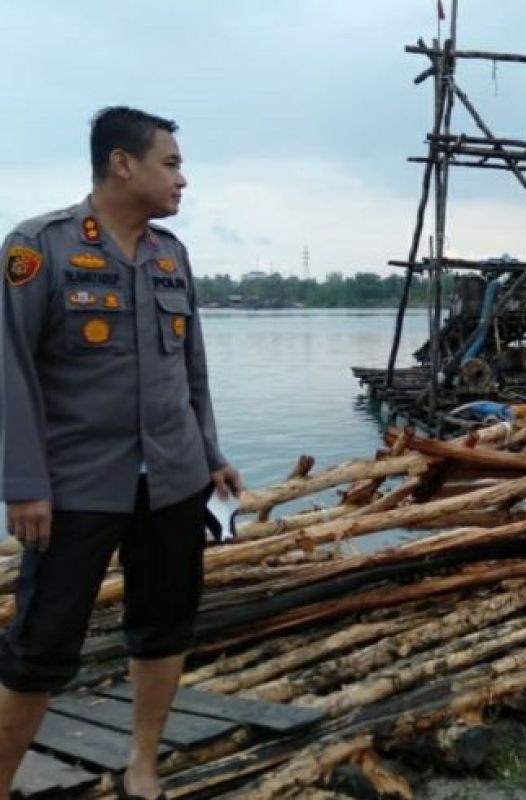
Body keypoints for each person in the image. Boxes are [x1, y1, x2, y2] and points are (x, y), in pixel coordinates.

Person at [0, 107, 240, 800]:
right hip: (73, 487)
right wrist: (22, 484)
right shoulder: (36, 247)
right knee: (40, 645)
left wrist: (210, 453)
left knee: (163, 628)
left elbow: (190, 368)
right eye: (170, 163)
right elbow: (11, 369)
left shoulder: (171, 255)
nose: (182, 179)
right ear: (122, 164)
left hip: (171, 480)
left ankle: (142, 765)